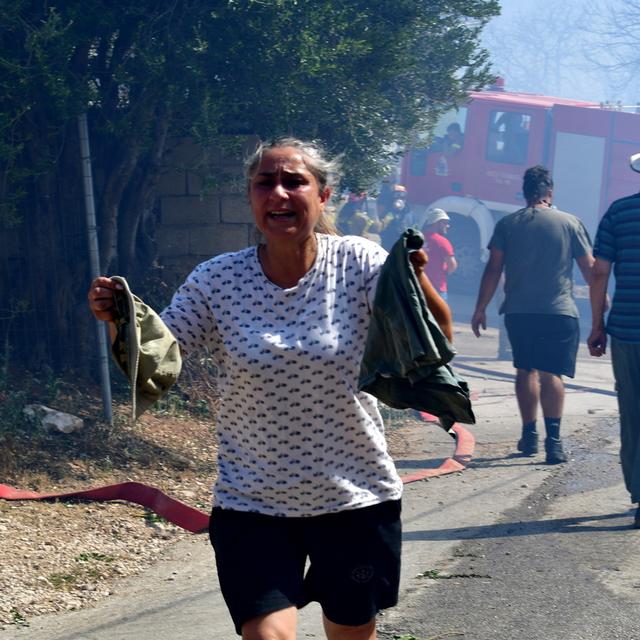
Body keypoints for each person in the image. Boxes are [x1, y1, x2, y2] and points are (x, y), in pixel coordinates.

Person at [88, 137, 452, 640]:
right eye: (265, 183)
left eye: (294, 181)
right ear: (251, 198)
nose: (278, 193)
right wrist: (117, 318)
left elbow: (433, 344)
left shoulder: (359, 264)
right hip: (252, 503)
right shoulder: (216, 280)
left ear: (322, 195)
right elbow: (158, 361)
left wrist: (416, 286)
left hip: (354, 500)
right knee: (268, 637)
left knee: (349, 633)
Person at [471, 165, 594, 464]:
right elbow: (590, 269)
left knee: (525, 369)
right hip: (559, 313)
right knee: (551, 374)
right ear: (550, 192)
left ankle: (530, 436)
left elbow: (493, 268)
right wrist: (603, 306)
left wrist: (480, 307)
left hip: (519, 312)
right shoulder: (570, 222)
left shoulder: (508, 224)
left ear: (525, 193)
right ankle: (554, 443)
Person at [587, 152, 640, 529]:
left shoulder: (619, 213)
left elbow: (600, 272)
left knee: (633, 414)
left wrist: (596, 325)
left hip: (626, 332)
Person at [422, 208, 457, 301]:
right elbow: (452, 265)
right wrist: (445, 272)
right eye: (445, 223)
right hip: (437, 288)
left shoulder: (418, 238)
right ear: (437, 223)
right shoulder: (442, 242)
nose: (448, 226)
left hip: (418, 286)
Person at [379, 184, 413, 250]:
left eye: (402, 195)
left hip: (402, 245)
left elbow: (412, 227)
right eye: (397, 195)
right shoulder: (388, 211)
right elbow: (382, 227)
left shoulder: (409, 212)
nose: (400, 198)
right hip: (388, 244)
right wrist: (393, 211)